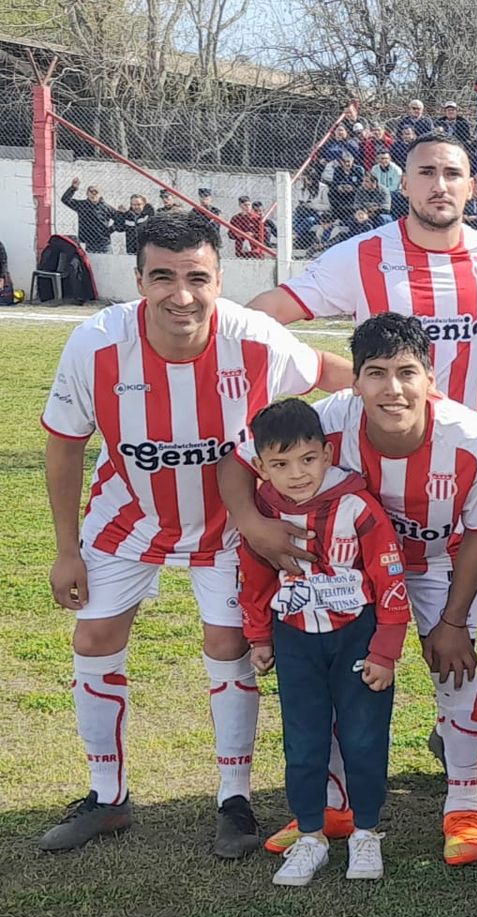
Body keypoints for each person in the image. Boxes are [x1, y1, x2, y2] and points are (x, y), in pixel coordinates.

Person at [38, 211, 346, 856]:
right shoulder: (94, 345)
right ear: (139, 280)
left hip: (231, 526)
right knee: (93, 635)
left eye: (197, 278)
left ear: (219, 278)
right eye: (163, 278)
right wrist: (67, 549)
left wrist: (417, 398)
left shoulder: (256, 338)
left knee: (229, 642)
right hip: (128, 511)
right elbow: (64, 448)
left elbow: (326, 370)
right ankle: (107, 796)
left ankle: (233, 800)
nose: (182, 295)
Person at [223, 314, 477, 868]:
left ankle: (463, 806)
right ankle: (334, 806)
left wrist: (451, 622)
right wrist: (254, 526)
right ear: (354, 382)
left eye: (406, 373)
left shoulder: (471, 439)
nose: (392, 389)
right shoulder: (329, 421)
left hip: (434, 566)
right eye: (375, 373)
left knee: (455, 670)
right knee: (329, 680)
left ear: (430, 376)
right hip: (346, 571)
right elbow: (238, 459)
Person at [245, 132, 477, 423]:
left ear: (469, 187)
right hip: (377, 456)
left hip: (470, 457)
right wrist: (323, 370)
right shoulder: (361, 255)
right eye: (426, 173)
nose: (439, 185)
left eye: (452, 174)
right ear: (404, 185)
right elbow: (262, 314)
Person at [237, 399, 410, 887]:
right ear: (260, 465)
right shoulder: (263, 513)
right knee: (304, 741)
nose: (296, 474)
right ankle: (310, 835)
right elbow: (253, 578)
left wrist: (385, 649)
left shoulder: (357, 507)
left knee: (363, 737)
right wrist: (258, 636)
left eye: (308, 459)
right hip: (295, 640)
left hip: (356, 635)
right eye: (280, 464)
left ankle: (366, 833)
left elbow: (390, 576)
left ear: (328, 453)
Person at [61, 178, 116, 254]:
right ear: (87, 193)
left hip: (104, 243)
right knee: (88, 264)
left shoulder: (107, 208)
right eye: (91, 191)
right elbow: (65, 200)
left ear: (100, 194)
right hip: (87, 242)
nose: (93, 194)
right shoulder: (82, 205)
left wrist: (109, 230)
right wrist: (73, 188)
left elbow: (119, 220)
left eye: (96, 192)